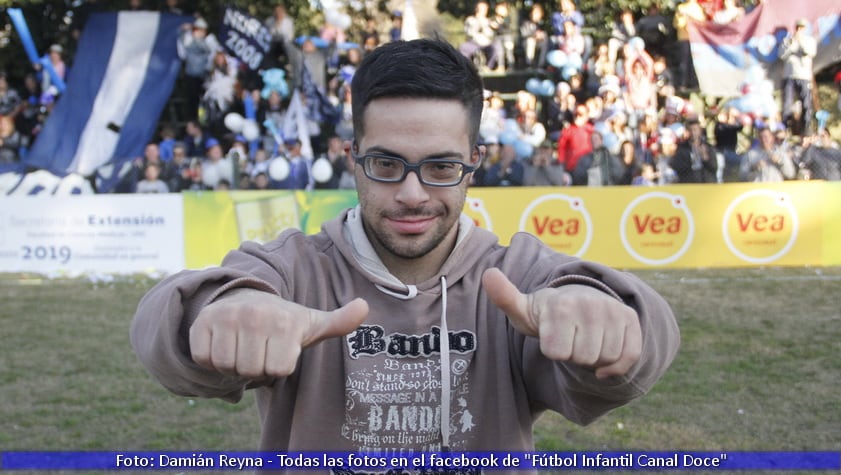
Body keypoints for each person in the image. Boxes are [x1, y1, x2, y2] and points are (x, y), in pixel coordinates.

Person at [131, 38, 679, 457]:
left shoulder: (514, 275)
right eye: (387, 164)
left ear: (474, 164)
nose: (412, 194)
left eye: (440, 167)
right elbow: (162, 328)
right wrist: (221, 311)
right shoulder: (295, 270)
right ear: (353, 158)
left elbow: (648, 340)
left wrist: (604, 313)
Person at [779, 18, 817, 136]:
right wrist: (791, 44)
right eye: (797, 27)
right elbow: (781, 55)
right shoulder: (787, 41)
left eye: (802, 28)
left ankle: (806, 129)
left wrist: (800, 41)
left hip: (804, 76)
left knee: (806, 103)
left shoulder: (809, 40)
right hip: (789, 75)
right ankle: (785, 128)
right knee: (787, 104)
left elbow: (810, 52)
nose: (799, 30)